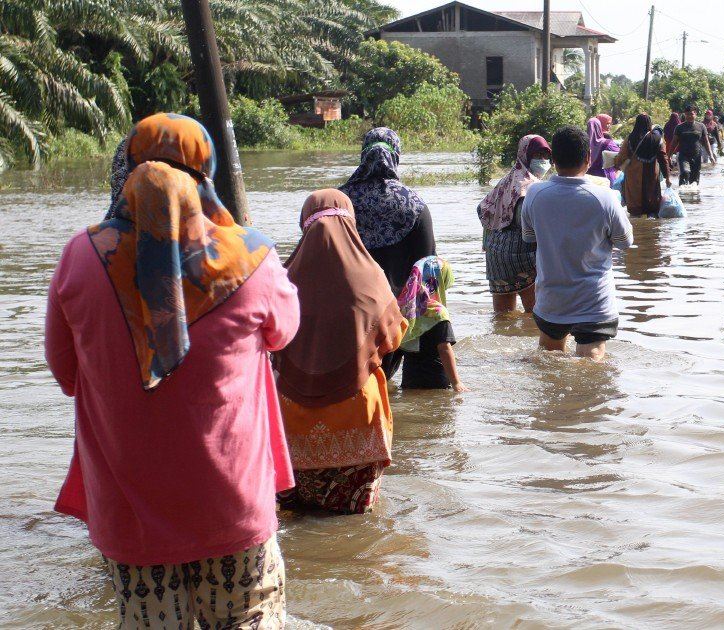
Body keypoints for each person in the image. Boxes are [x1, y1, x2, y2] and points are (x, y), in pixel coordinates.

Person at [45, 113, 298, 628]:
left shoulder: (80, 258)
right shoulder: (254, 259)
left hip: (130, 515)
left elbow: (66, 374)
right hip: (232, 507)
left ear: (127, 173)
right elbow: (284, 334)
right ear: (207, 176)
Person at [274, 189, 408, 514]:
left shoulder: (281, 278)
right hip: (356, 414)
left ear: (304, 224)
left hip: (292, 417)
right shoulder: (371, 275)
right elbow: (394, 337)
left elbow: (266, 342)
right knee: (352, 522)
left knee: (298, 518)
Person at [522, 126, 633, 360]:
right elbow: (625, 242)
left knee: (549, 359)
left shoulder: (534, 194)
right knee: (590, 360)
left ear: (553, 160)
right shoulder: (606, 197)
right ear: (588, 158)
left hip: (552, 300)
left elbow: (529, 238)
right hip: (593, 301)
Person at [339, 127, 438, 381]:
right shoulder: (414, 205)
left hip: (347, 316)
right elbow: (427, 269)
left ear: (363, 154)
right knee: (382, 386)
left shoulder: (339, 202)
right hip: (394, 317)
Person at [478, 134, 550, 313]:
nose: (543, 161)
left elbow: (482, 210)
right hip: (521, 254)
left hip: (495, 255)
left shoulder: (506, 180)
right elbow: (527, 226)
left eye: (545, 156)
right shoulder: (530, 187)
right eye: (537, 156)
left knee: (503, 318)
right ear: (525, 155)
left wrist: (487, 243)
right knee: (535, 316)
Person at [396, 255, 466, 391]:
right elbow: (444, 348)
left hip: (410, 380)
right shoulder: (438, 312)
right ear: (437, 281)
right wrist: (456, 383)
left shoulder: (408, 309)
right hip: (437, 380)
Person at [613, 113, 671, 217]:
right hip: (652, 175)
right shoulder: (658, 139)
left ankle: (637, 228)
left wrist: (616, 164)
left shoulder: (630, 138)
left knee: (635, 205)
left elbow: (622, 156)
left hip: (633, 176)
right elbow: (663, 159)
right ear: (650, 124)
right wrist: (667, 177)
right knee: (652, 202)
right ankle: (651, 224)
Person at [673, 105, 715, 186]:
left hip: (696, 156)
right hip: (683, 155)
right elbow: (674, 142)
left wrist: (711, 155)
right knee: (685, 172)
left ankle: (693, 197)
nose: (689, 116)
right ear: (685, 114)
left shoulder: (701, 126)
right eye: (687, 114)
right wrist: (668, 155)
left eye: (691, 114)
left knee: (694, 182)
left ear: (695, 114)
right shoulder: (679, 127)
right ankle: (681, 194)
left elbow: (706, 142)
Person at [586, 116, 621, 184]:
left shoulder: (582, 144)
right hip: (605, 181)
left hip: (588, 181)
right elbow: (621, 155)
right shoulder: (607, 143)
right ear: (599, 127)